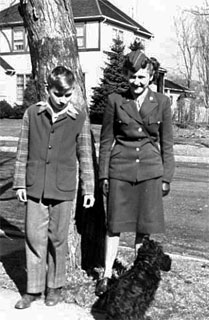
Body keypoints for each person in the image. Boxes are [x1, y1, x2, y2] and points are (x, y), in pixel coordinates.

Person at [13, 66, 95, 309]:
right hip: (35, 185)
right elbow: (23, 148)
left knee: (58, 239)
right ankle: (33, 290)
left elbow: (85, 154)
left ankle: (54, 288)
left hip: (63, 187)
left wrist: (88, 189)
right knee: (34, 238)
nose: (63, 99)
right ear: (48, 89)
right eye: (58, 94)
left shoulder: (79, 117)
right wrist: (19, 182)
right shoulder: (32, 113)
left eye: (68, 94)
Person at [95, 49, 175, 296]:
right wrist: (104, 175)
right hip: (121, 169)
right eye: (132, 77)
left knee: (144, 227)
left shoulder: (162, 103)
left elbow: (167, 144)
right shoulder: (115, 101)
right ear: (126, 75)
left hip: (150, 171)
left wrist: (166, 177)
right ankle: (107, 275)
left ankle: (139, 275)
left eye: (141, 77)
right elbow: (106, 140)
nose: (136, 82)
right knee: (114, 225)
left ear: (150, 77)